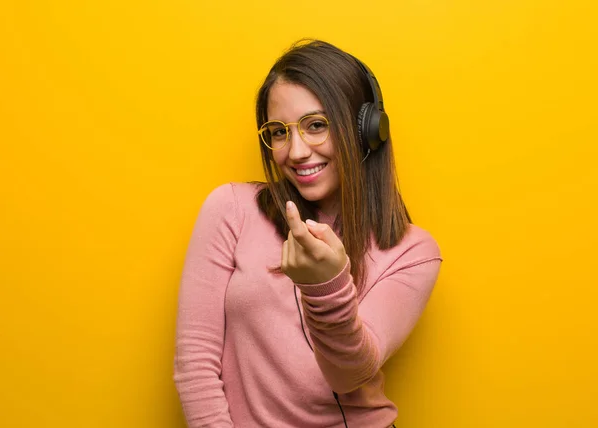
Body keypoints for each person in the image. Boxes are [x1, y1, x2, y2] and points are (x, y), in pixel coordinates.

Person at [174, 39, 443, 428]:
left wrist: (327, 286)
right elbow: (195, 362)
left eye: (316, 125)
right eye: (279, 132)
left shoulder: (412, 252)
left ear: (366, 131)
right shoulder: (230, 210)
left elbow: (348, 375)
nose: (296, 151)